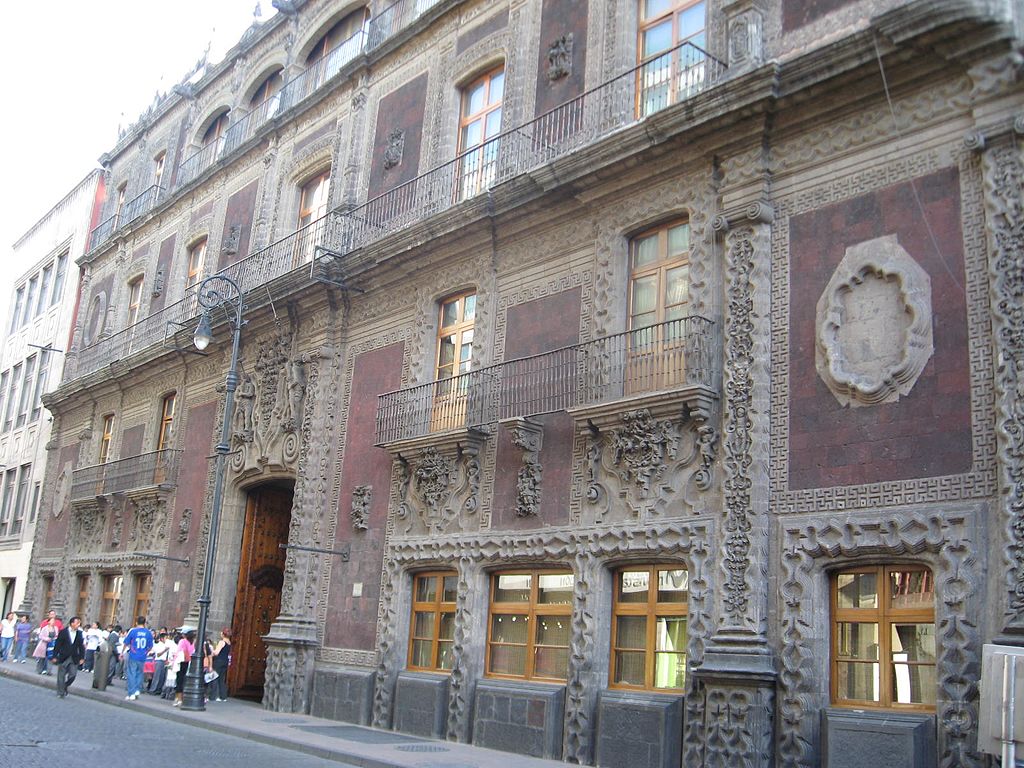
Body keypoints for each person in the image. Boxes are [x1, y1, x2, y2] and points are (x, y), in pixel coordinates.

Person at [53, 616, 85, 698]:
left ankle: (65, 685)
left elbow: (81, 646)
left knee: (73, 675)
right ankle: (60, 692)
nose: (79, 625)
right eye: (77, 623)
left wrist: (82, 657)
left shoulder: (79, 633)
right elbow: (58, 644)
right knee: (61, 675)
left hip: (74, 657)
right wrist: (55, 655)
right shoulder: (63, 632)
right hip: (64, 656)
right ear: (72, 623)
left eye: (79, 623)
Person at [122, 615, 154, 700]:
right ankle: (137, 689)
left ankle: (131, 692)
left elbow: (126, 642)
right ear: (144, 623)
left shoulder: (133, 631)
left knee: (131, 673)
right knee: (139, 674)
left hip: (133, 654)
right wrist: (145, 652)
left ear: (136, 622)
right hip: (143, 656)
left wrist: (122, 652)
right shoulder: (148, 633)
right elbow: (150, 646)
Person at [173, 629, 196, 707]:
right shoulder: (193, 643)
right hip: (189, 662)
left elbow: (180, 650)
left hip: (182, 661)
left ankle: (178, 698)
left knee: (179, 680)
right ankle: (178, 698)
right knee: (184, 680)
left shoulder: (182, 641)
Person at [210, 628, 232, 701]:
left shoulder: (221, 642)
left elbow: (216, 652)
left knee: (215, 677)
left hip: (219, 661)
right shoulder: (229, 642)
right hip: (225, 661)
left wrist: (212, 651)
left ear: (223, 634)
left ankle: (213, 696)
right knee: (221, 679)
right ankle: (223, 696)